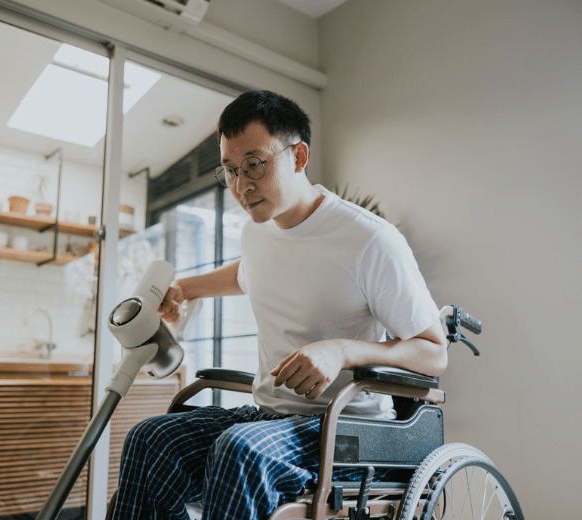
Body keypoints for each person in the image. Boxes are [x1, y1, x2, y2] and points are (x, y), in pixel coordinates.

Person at [110, 90, 447, 520]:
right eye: (230, 170)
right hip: (270, 417)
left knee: (240, 451)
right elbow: (249, 272)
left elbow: (434, 351)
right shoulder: (258, 230)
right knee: (150, 440)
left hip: (347, 429)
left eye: (254, 165)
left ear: (298, 156)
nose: (240, 186)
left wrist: (342, 350)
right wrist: (186, 288)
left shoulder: (370, 240)